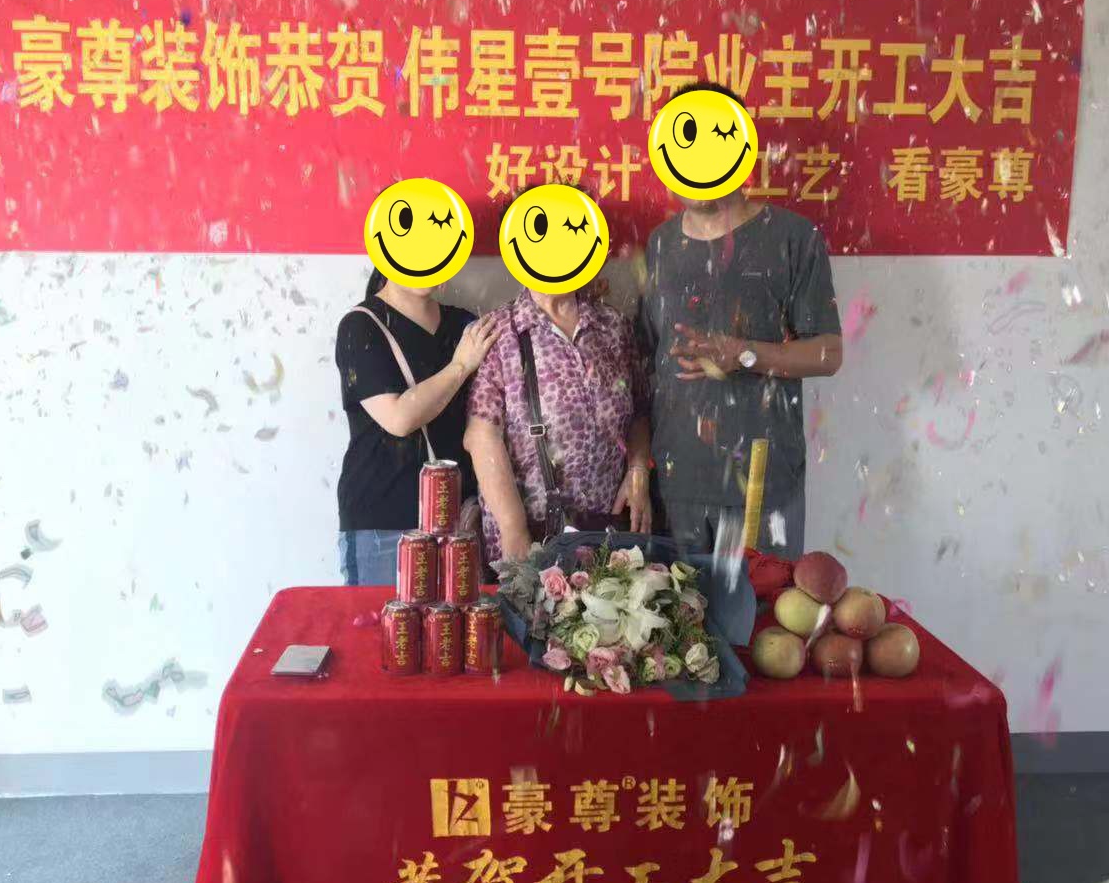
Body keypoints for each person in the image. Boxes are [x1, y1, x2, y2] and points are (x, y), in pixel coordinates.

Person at [638, 82, 843, 560]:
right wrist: (637, 468)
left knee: (759, 608)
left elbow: (829, 354)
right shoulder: (661, 245)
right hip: (676, 482)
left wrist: (744, 354)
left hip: (761, 483)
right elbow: (646, 364)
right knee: (675, 608)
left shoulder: (792, 238)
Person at [464, 284, 652, 565]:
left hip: (608, 537)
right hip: (531, 541)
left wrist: (638, 472)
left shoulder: (614, 326)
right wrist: (514, 529)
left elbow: (639, 411)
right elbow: (481, 437)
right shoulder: (499, 331)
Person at [335, 269, 497, 585]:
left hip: (459, 523)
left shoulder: (465, 326)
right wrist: (460, 366)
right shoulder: (361, 326)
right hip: (384, 526)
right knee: (381, 618)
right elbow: (399, 418)